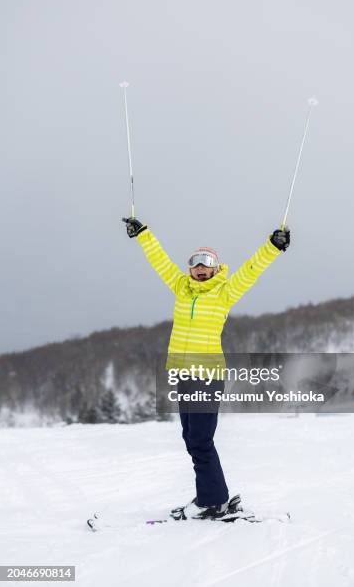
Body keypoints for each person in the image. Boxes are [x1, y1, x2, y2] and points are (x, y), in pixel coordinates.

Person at [123, 216, 290, 519]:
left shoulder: (224, 292)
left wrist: (273, 247)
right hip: (183, 374)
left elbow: (251, 271)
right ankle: (210, 496)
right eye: (196, 263)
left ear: (215, 268)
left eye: (207, 263)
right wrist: (142, 234)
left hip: (207, 375)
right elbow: (158, 259)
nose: (201, 268)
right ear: (190, 269)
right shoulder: (180, 288)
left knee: (200, 439)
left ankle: (213, 501)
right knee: (191, 437)